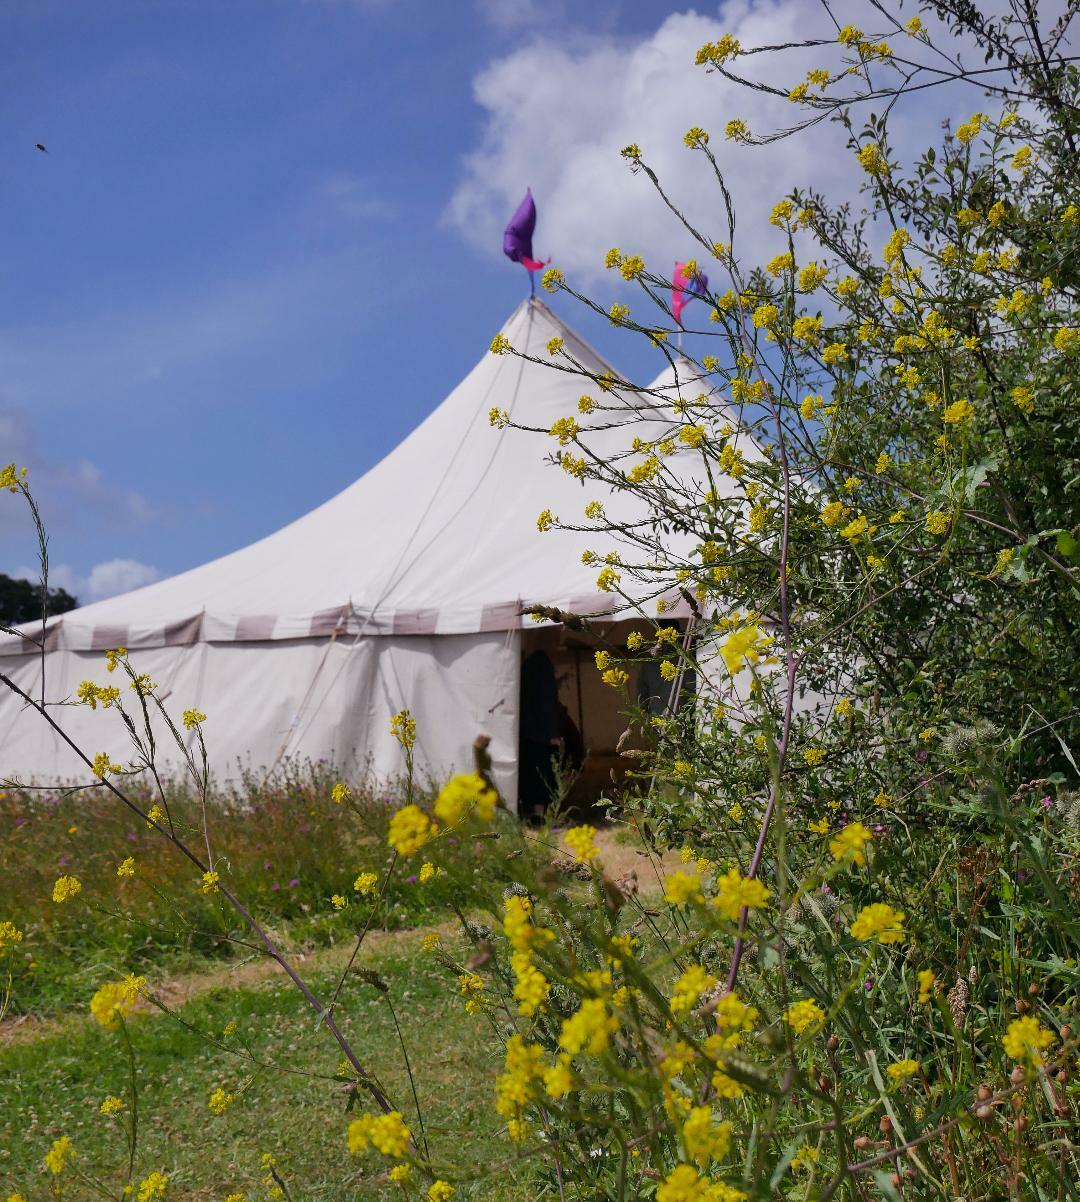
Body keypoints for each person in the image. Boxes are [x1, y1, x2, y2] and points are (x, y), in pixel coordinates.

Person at [519, 650, 561, 823]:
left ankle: (532, 812)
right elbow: (545, 703)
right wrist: (552, 732)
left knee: (530, 772)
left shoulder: (528, 665)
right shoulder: (542, 666)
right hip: (540, 734)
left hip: (526, 731)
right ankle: (539, 814)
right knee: (542, 772)